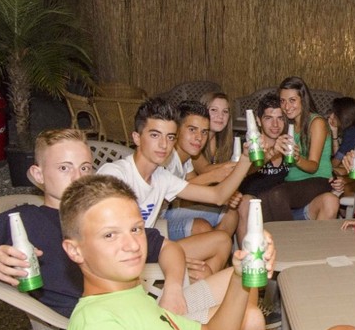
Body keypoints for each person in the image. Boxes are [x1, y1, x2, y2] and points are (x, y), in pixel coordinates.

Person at [62, 175, 355, 330]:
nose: (132, 245)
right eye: (110, 235)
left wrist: (240, 276)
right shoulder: (98, 328)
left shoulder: (128, 296)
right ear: (74, 250)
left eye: (135, 229)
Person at [0, 129, 226, 323]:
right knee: (238, 318)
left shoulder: (104, 216)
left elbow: (167, 248)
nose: (78, 177)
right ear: (38, 174)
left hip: (149, 307)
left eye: (85, 168)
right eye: (64, 168)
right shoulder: (26, 221)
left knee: (238, 283)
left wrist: (173, 288)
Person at [97, 98, 251, 277]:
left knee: (222, 241)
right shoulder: (115, 174)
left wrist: (246, 159)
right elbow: (103, 235)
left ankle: (197, 290)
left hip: (151, 247)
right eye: (155, 135)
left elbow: (218, 196)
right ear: (137, 138)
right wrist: (171, 255)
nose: (164, 145)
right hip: (122, 255)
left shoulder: (162, 177)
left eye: (170, 137)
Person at [255, 76, 333, 222]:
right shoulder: (288, 125)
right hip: (292, 183)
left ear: (303, 99)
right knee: (262, 199)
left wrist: (297, 159)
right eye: (283, 101)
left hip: (317, 180)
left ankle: (290, 236)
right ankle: (271, 236)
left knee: (277, 195)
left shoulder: (316, 122)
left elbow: (313, 166)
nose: (287, 106)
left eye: (292, 100)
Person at [162, 100, 239, 239]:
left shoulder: (187, 158)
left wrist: (226, 196)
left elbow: (194, 185)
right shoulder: (165, 157)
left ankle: (217, 247)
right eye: (192, 130)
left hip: (168, 213)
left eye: (204, 132)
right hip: (153, 222)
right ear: (176, 130)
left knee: (231, 212)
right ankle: (212, 246)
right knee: (201, 227)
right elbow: (170, 192)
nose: (199, 138)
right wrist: (213, 176)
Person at [304, 97, 355, 221]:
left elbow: (334, 163)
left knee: (331, 174)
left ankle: (326, 208)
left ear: (341, 115)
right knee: (340, 171)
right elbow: (340, 156)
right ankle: (338, 209)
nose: (331, 116)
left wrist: (315, 163)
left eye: (334, 113)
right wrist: (334, 132)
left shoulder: (352, 132)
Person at [236, 93, 290, 241]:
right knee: (245, 202)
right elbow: (241, 172)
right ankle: (247, 255)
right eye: (269, 118)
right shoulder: (248, 146)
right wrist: (270, 154)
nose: (275, 124)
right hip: (254, 205)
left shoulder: (289, 146)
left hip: (281, 207)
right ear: (259, 121)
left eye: (280, 118)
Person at [197, 91, 235, 168]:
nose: (220, 116)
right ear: (202, 111)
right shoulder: (194, 140)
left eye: (225, 111)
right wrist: (243, 162)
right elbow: (204, 170)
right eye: (214, 110)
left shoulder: (223, 140)